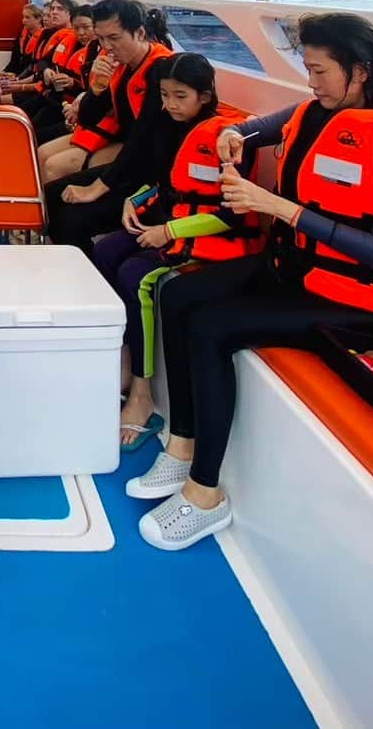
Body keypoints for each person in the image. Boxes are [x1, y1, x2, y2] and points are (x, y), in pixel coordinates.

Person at [128, 13, 373, 552]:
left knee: (211, 326)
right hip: (301, 271)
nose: (310, 80)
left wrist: (277, 206)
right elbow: (257, 128)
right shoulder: (314, 110)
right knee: (176, 291)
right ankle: (180, 444)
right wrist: (233, 135)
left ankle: (205, 493)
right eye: (306, 66)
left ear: (361, 71)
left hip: (368, 304)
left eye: (320, 70)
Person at [88, 54, 261, 449]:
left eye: (180, 96)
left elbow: (232, 216)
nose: (170, 105)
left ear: (205, 95)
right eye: (164, 96)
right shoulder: (176, 129)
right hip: (175, 226)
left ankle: (142, 395)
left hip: (214, 240)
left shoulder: (227, 139)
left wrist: (168, 230)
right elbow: (170, 188)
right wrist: (137, 199)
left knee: (137, 275)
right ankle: (124, 364)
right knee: (107, 251)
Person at [39, 0, 172, 187]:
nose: (106, 46)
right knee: (42, 153)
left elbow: (145, 132)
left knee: (55, 176)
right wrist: (96, 89)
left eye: (114, 38)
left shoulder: (162, 69)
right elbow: (87, 118)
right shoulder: (119, 64)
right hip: (120, 137)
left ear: (140, 33)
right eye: (101, 38)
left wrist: (99, 186)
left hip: (147, 152)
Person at [28, 5, 99, 141]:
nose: (81, 33)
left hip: (74, 110)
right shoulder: (71, 43)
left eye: (86, 27)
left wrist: (73, 83)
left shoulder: (99, 53)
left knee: (33, 137)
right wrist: (46, 70)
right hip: (55, 100)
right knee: (27, 129)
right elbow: (43, 61)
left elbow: (90, 90)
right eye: (77, 28)